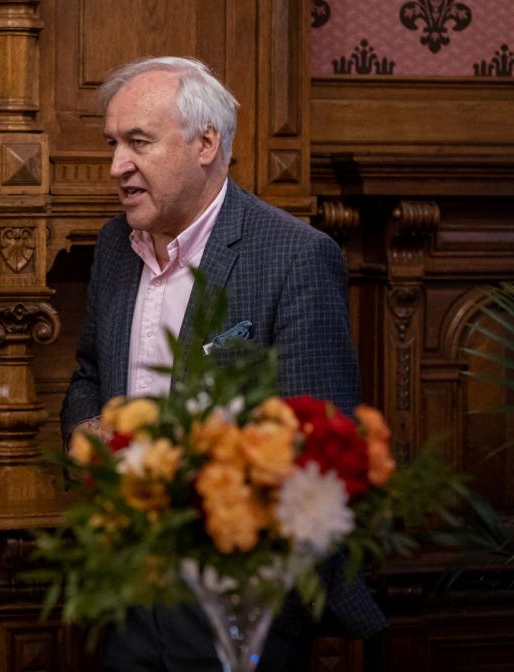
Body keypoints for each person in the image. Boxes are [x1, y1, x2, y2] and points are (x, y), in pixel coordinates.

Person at [60, 56, 388, 671]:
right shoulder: (114, 247)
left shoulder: (295, 257)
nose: (116, 166)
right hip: (124, 584)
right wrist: (85, 433)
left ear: (206, 143)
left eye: (138, 143)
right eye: (112, 144)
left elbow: (319, 446)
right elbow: (88, 375)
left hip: (239, 596)